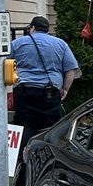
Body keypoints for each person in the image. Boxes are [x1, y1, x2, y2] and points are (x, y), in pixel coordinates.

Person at [11, 15, 79, 146]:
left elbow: (3, 63)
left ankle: (23, 154)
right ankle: (47, 152)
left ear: (32, 28)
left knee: (25, 125)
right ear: (47, 29)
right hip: (50, 93)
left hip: (24, 91)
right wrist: (65, 89)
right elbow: (71, 69)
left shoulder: (18, 43)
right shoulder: (61, 44)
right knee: (51, 127)